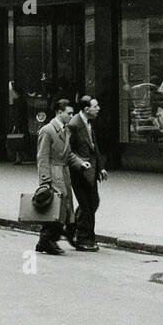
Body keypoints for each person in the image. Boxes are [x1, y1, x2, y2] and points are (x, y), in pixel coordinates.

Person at [34, 97, 90, 256]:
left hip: (63, 172)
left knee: (61, 207)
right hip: (53, 172)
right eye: (69, 113)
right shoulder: (47, 130)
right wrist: (45, 180)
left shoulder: (65, 130)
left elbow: (68, 154)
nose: (72, 116)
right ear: (59, 112)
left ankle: (46, 240)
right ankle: (48, 240)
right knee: (58, 207)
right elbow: (42, 157)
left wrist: (80, 163)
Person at [67, 95, 107, 251]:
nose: (98, 109)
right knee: (87, 205)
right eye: (95, 106)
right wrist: (80, 163)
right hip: (79, 171)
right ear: (86, 109)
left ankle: (74, 228)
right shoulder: (74, 124)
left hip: (91, 170)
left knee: (93, 202)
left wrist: (101, 168)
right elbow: (68, 151)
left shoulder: (88, 122)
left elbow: (93, 147)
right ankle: (84, 240)